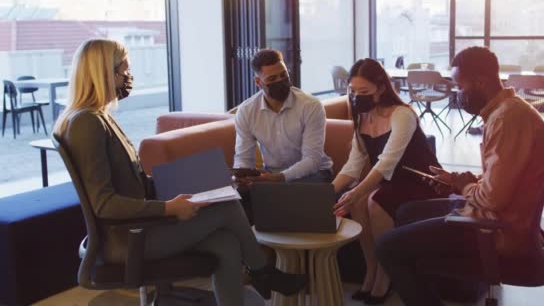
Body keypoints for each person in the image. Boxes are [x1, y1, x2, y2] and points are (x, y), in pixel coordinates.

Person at [53, 39, 307, 306]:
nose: (128, 77)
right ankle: (262, 271)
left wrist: (185, 183)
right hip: (129, 239)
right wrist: (168, 209)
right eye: (123, 71)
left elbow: (132, 183)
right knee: (226, 206)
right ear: (104, 73)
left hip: (138, 228)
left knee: (227, 244)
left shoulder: (97, 117)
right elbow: (104, 204)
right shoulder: (87, 123)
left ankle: (259, 275)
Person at [376, 46, 544, 306]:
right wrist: (455, 181)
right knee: (406, 212)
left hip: (496, 229)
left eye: (460, 87)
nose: (457, 94)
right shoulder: (508, 110)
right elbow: (503, 178)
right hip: (498, 216)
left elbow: (493, 200)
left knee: (386, 246)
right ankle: (450, 290)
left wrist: (466, 187)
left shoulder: (507, 120)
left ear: (480, 82)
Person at [331, 58, 442, 304]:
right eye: (353, 91)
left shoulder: (402, 114)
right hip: (392, 182)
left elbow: (386, 163)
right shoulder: (362, 119)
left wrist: (356, 192)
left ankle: (385, 275)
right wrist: (329, 192)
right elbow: (353, 164)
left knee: (373, 201)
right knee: (360, 202)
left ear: (381, 88)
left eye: (364, 92)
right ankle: (371, 269)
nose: (357, 97)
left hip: (421, 181)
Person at [233, 49, 334, 219]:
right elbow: (244, 157)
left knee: (283, 195)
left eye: (283, 75)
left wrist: (279, 178)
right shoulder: (247, 111)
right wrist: (242, 176)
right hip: (271, 174)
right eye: (272, 79)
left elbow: (312, 160)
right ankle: (260, 244)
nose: (280, 81)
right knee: (236, 200)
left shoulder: (310, 105)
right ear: (258, 82)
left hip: (314, 174)